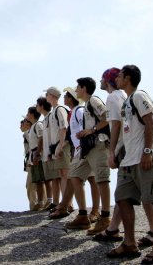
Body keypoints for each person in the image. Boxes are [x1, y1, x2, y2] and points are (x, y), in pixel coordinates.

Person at [107, 65, 153, 264]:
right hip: (129, 160)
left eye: (119, 76)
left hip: (146, 158)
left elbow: (150, 121)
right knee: (122, 197)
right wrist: (117, 153)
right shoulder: (127, 101)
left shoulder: (139, 95)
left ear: (127, 77)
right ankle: (129, 243)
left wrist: (147, 151)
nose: (116, 78)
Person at [93, 68, 153, 243]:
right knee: (126, 193)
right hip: (130, 148)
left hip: (126, 149)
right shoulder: (124, 97)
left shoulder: (113, 97)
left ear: (107, 80)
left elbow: (115, 126)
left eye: (102, 78)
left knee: (130, 193)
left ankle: (152, 231)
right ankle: (115, 228)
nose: (100, 81)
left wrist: (112, 152)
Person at [65, 77, 111, 231]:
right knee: (75, 176)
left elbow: (107, 117)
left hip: (98, 144)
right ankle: (83, 215)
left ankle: (105, 217)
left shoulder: (94, 101)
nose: (76, 90)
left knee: (102, 180)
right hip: (88, 148)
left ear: (84, 88)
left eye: (77, 87)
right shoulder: (85, 106)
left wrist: (91, 130)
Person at [49, 87, 100, 221]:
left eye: (66, 96)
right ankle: (64, 206)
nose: (64, 98)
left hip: (86, 149)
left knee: (92, 179)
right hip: (78, 150)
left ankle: (95, 211)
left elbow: (84, 128)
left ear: (70, 98)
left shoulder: (79, 111)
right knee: (74, 177)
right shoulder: (73, 112)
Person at [44, 86, 71, 213]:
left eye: (47, 94)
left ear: (53, 96)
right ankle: (65, 203)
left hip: (62, 146)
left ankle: (67, 204)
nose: (46, 97)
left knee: (65, 174)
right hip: (57, 146)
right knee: (62, 174)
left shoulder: (60, 109)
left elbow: (64, 128)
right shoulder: (54, 111)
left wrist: (60, 146)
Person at [35, 96, 56, 210]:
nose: (37, 107)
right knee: (49, 178)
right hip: (47, 153)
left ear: (42, 105)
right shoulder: (45, 119)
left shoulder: (51, 116)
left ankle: (54, 201)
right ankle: (51, 201)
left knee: (55, 178)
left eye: (38, 104)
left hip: (52, 152)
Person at [25, 107, 46, 211]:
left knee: (41, 180)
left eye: (28, 113)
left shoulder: (38, 125)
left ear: (32, 114)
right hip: (33, 155)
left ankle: (42, 202)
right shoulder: (33, 126)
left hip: (37, 154)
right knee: (37, 180)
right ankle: (40, 202)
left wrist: (38, 154)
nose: (27, 115)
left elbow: (41, 138)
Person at [21, 117, 38, 210]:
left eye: (22, 123)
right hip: (31, 160)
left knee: (31, 184)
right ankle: (35, 205)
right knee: (32, 184)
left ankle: (34, 206)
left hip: (33, 160)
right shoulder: (27, 133)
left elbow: (33, 147)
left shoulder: (29, 133)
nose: (20, 125)